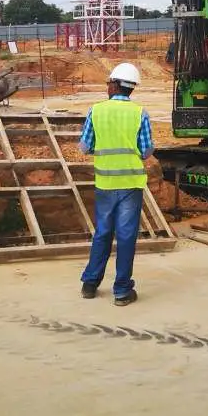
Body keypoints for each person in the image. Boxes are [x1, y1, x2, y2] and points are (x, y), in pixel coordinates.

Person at [79, 62, 154, 306]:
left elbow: (85, 146)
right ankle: (121, 291)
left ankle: (90, 284)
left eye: (108, 82)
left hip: (106, 182)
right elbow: (145, 151)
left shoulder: (96, 111)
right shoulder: (139, 113)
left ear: (114, 85)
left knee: (102, 232)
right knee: (125, 236)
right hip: (131, 184)